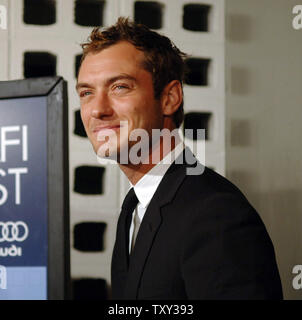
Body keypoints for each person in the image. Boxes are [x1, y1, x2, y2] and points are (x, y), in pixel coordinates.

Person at [76, 17, 283, 300]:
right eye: (86, 93)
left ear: (170, 98)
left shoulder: (216, 214)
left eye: (120, 87)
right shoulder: (134, 208)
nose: (97, 109)